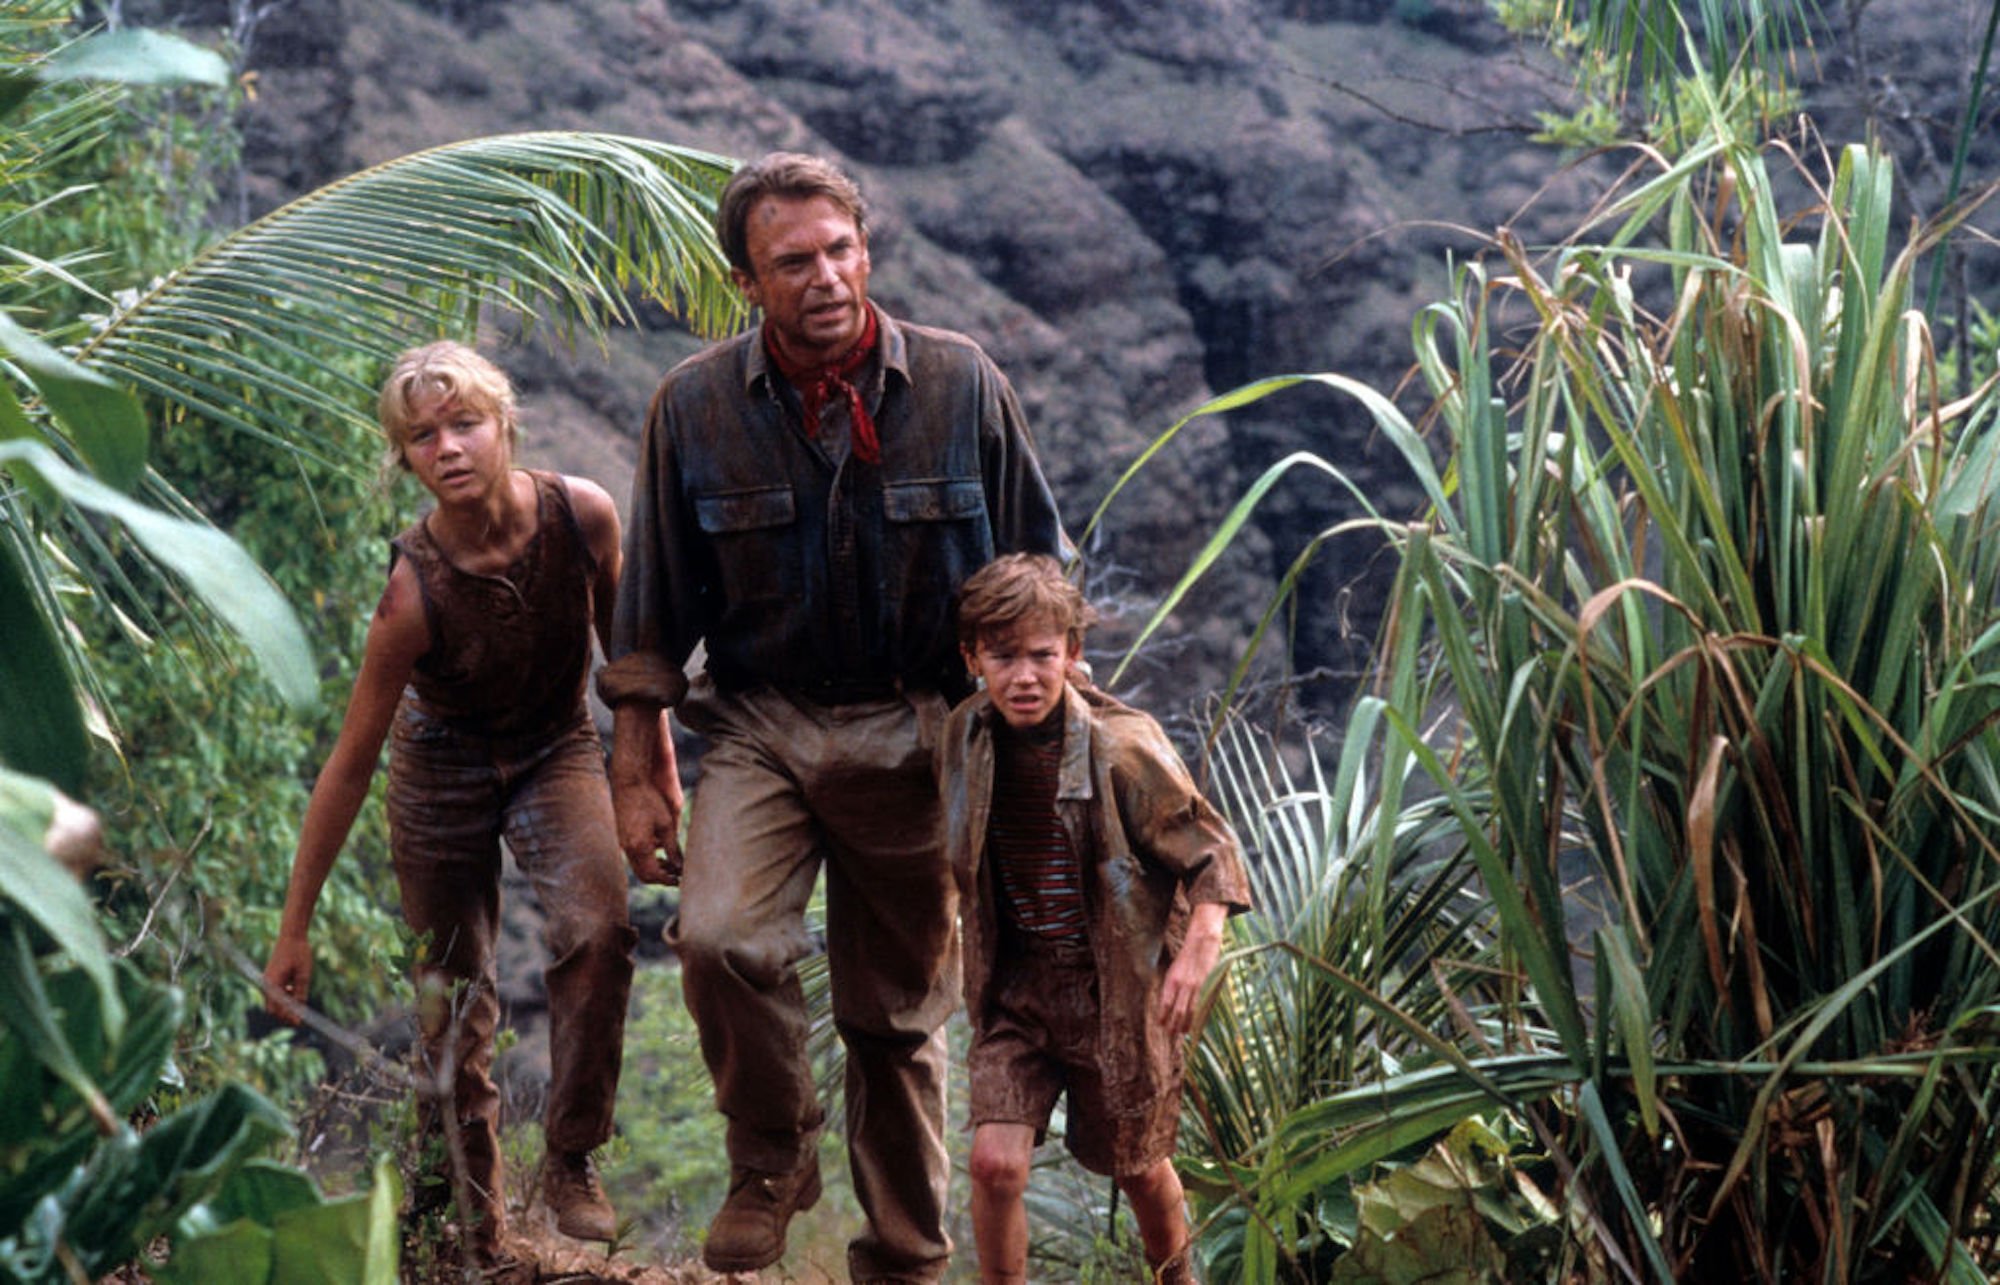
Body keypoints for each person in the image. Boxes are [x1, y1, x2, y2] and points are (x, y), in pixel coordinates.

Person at [599, 151, 1066, 1281]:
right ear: (745, 282)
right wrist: (635, 762)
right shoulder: (694, 406)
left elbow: (1039, 569)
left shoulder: (960, 386)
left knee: (893, 1018)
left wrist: (1036, 745)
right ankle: (769, 1158)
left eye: (839, 249)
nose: (823, 277)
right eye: (790, 261)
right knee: (717, 939)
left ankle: (902, 1259)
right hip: (763, 723)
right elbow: (654, 605)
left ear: (866, 248)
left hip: (920, 729)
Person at [262, 342, 662, 1277]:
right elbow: (350, 765)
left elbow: (632, 668)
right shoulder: (412, 593)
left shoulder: (583, 515)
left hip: (555, 747)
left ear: (505, 423)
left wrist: (652, 780)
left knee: (599, 928)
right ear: (404, 459)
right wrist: (295, 927)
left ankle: (571, 1152)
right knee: (453, 1004)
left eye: (464, 423)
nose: (447, 448)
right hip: (439, 769)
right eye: (421, 437)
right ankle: (464, 1236)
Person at [938, 553, 1251, 1285]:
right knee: (994, 1162)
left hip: (1112, 989)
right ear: (971, 657)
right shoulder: (964, 737)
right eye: (1002, 655)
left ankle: (1178, 1278)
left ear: (1072, 654)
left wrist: (1197, 950)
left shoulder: (1121, 746)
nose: (1024, 676)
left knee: (1139, 1168)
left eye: (1043, 655)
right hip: (1017, 989)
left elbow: (1211, 852)